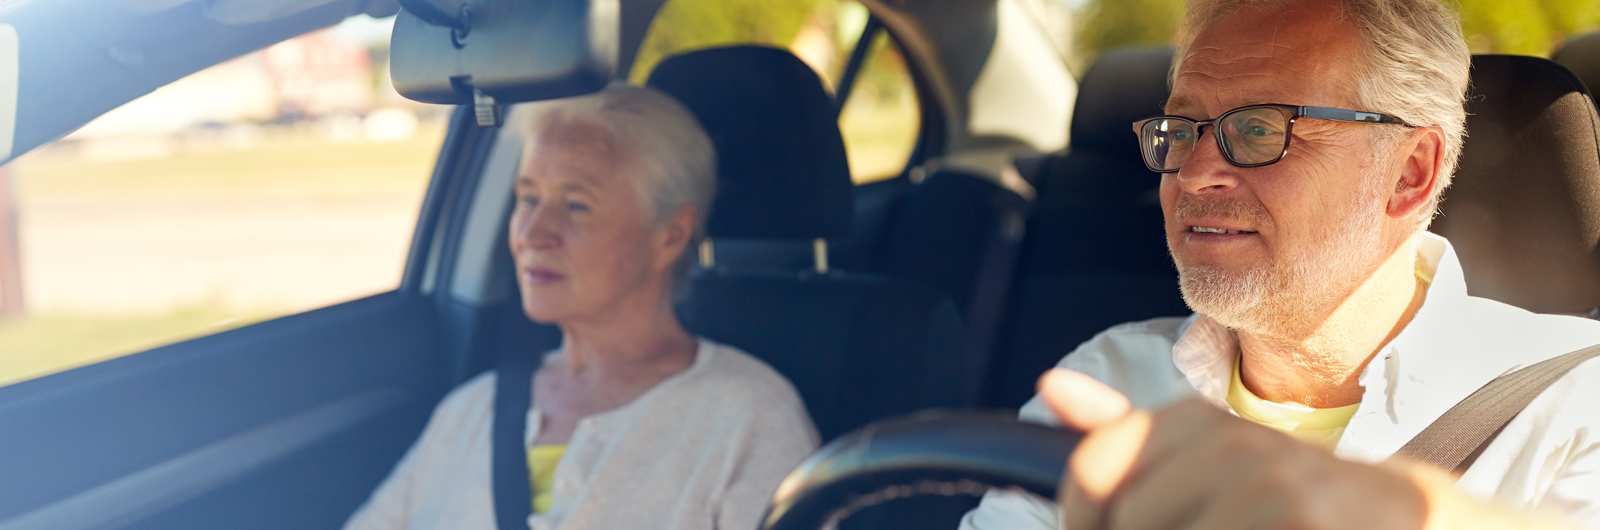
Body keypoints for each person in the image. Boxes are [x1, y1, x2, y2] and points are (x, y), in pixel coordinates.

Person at [961, 0, 1600, 528]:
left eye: (1262, 130)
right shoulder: (1109, 381)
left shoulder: (1573, 402)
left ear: (1409, 173)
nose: (1195, 171)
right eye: (1182, 129)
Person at [343, 85, 818, 530]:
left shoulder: (750, 418)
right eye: (528, 198)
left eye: (576, 206)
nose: (532, 234)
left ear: (670, 234)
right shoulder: (471, 411)